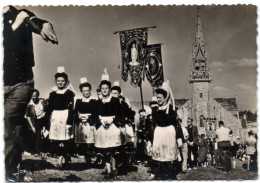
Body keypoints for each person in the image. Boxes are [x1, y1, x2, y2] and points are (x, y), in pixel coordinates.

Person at [3, 6, 58, 181]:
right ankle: (13, 168)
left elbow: (33, 20)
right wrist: (18, 22)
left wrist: (43, 24)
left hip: (21, 82)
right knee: (14, 127)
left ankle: (8, 172)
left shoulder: (15, 12)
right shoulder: (18, 16)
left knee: (8, 125)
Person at [94, 70, 123, 179]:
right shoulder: (97, 102)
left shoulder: (115, 100)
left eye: (106, 88)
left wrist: (112, 120)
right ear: (100, 90)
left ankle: (114, 170)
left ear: (110, 89)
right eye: (102, 89)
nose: (104, 90)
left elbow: (119, 113)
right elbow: (95, 115)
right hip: (101, 127)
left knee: (113, 150)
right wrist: (101, 121)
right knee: (104, 150)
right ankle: (109, 171)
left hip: (112, 126)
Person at [150, 86, 183, 179]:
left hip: (169, 133)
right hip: (159, 133)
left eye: (160, 98)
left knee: (169, 155)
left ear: (165, 98)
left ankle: (170, 174)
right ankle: (159, 173)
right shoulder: (155, 110)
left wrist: (179, 138)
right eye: (157, 98)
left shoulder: (171, 109)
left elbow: (176, 124)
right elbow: (153, 124)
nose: (158, 99)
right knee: (159, 155)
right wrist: (150, 139)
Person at [46, 67, 75, 168]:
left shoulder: (69, 93)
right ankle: (61, 156)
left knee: (65, 138)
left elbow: (71, 109)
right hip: (55, 117)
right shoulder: (52, 93)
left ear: (66, 82)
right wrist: (47, 121)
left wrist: (69, 122)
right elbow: (49, 108)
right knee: (56, 139)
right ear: (56, 81)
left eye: (62, 81)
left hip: (65, 116)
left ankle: (63, 158)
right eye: (58, 81)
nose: (60, 83)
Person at [74, 77, 97, 167]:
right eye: (84, 91)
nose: (86, 92)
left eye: (87, 90)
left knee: (91, 141)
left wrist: (89, 118)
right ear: (81, 91)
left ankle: (92, 157)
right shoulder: (79, 100)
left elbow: (95, 112)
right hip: (81, 122)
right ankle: (87, 160)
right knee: (83, 141)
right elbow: (75, 112)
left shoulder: (93, 100)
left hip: (90, 122)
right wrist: (79, 118)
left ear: (90, 90)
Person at [25, 89, 47, 156]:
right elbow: (27, 116)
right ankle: (36, 152)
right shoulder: (29, 104)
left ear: (38, 95)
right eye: (32, 96)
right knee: (36, 137)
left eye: (35, 96)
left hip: (43, 120)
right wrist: (32, 126)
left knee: (44, 135)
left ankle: (43, 151)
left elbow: (46, 111)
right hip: (34, 122)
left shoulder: (42, 102)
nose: (33, 97)